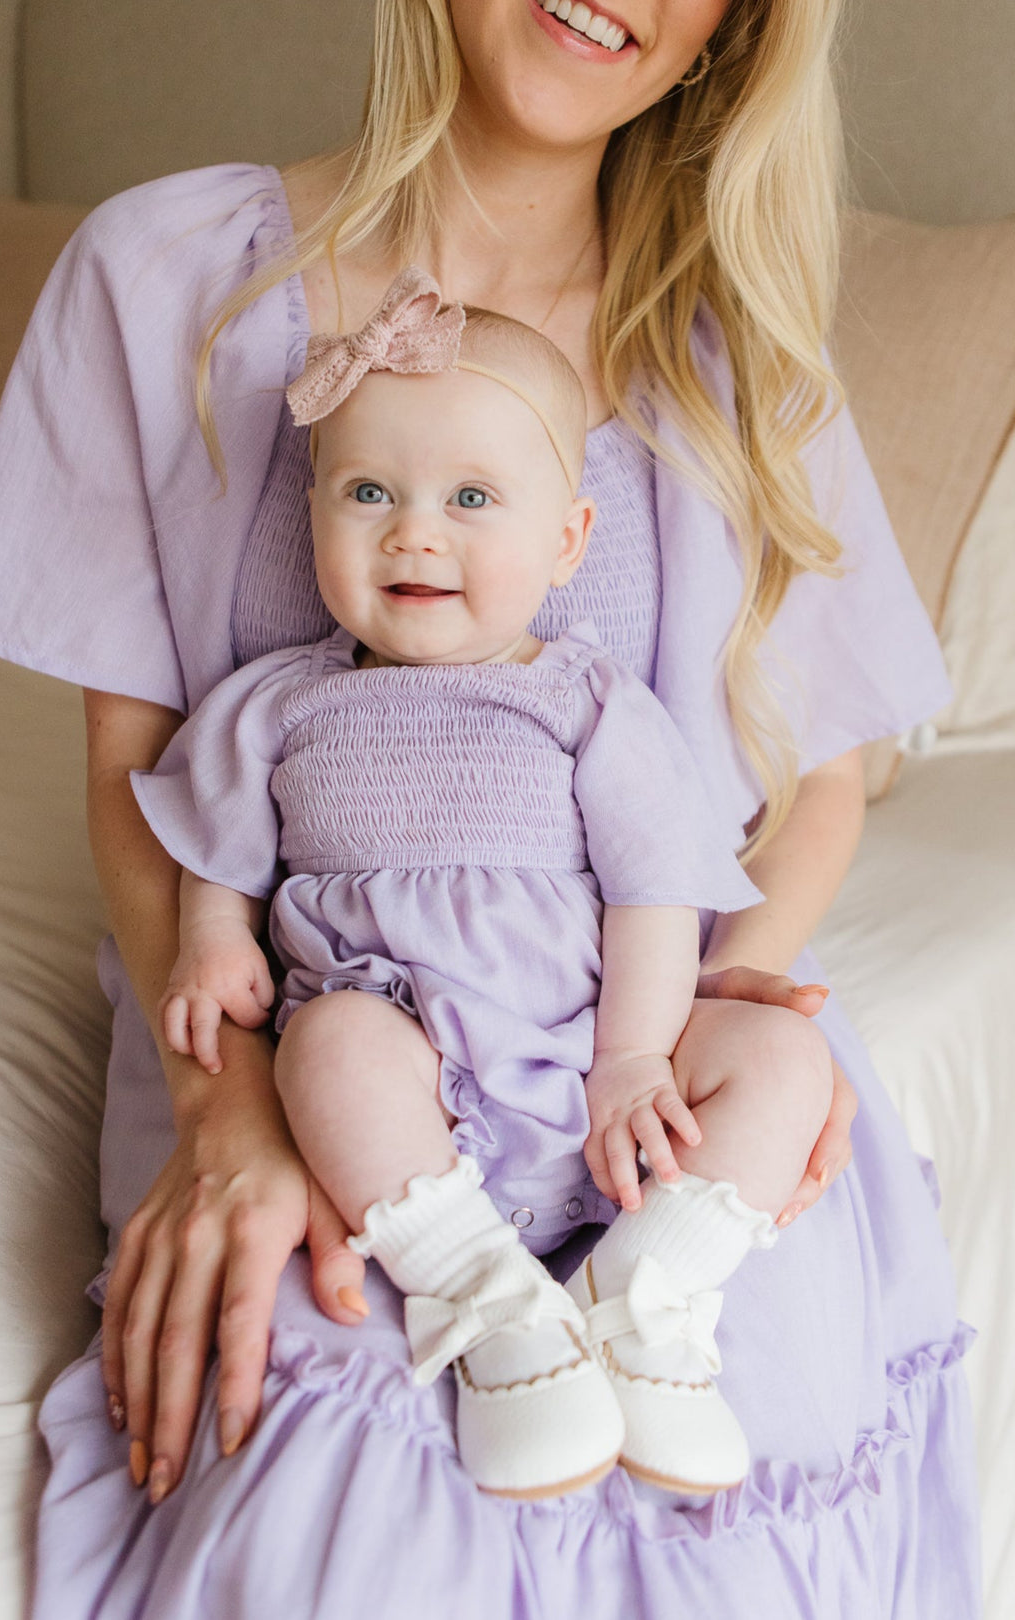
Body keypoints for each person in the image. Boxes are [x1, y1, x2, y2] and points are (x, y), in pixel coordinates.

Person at [0, 0, 979, 1613]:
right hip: (320, 1041)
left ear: (726, 36)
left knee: (718, 1455)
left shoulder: (732, 346)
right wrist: (234, 1111)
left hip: (633, 1043)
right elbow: (139, 775)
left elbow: (821, 780)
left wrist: (687, 1034)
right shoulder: (169, 278)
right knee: (339, 1499)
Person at [142, 269, 832, 1501]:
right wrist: (208, 940)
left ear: (566, 539)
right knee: (332, 1045)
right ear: (314, 523)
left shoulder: (585, 703)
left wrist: (632, 1060)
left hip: (593, 1075)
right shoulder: (280, 704)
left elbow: (654, 892)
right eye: (369, 494)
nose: (416, 531)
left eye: (471, 498)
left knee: (784, 1061)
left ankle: (649, 1298)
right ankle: (490, 1303)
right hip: (408, 1095)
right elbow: (218, 851)